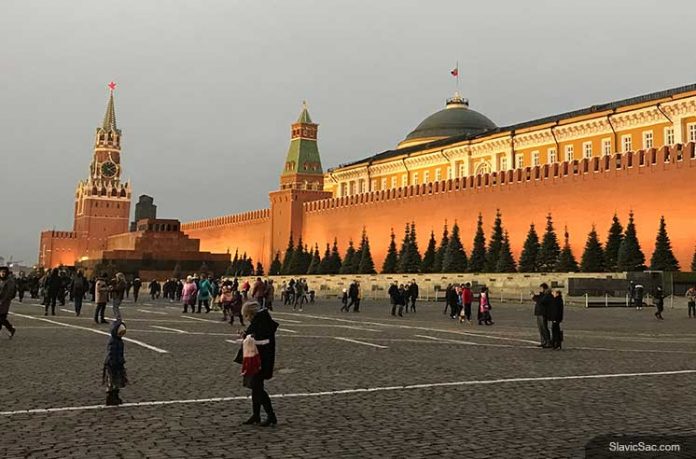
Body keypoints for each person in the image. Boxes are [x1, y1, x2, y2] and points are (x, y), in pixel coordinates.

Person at [240, 301, 279, 427]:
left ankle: (271, 415)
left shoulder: (261, 323)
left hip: (259, 360)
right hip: (257, 357)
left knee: (257, 387)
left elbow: (262, 340)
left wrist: (248, 337)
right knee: (255, 387)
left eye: (246, 316)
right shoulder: (261, 321)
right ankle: (256, 414)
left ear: (250, 314)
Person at [103, 319, 128, 406]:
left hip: (118, 364)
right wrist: (113, 362)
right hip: (112, 365)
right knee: (112, 382)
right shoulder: (113, 342)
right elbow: (111, 353)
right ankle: (111, 398)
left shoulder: (119, 341)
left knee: (117, 382)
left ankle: (115, 397)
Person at [532, 283, 553, 348]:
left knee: (544, 328)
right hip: (539, 313)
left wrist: (534, 297)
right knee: (541, 328)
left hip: (543, 313)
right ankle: (543, 341)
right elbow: (538, 299)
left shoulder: (547, 295)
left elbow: (541, 301)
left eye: (541, 288)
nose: (539, 289)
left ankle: (548, 342)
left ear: (544, 288)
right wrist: (534, 296)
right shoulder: (542, 295)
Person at [0, 266, 17, 339]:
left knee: (2, 318)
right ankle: (11, 329)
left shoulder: (9, 281)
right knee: (2, 319)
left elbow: (8, 293)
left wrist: (2, 301)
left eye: (4, 272)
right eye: (1, 272)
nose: (2, 273)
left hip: (4, 302)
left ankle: (11, 329)